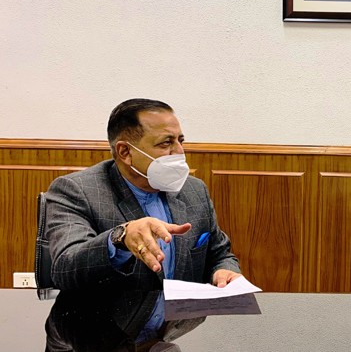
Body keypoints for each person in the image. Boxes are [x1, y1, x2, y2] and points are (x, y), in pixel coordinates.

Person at [45, 99, 241, 338]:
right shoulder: (76, 190)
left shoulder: (194, 190)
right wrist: (120, 237)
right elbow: (65, 268)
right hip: (99, 338)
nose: (180, 153)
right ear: (125, 152)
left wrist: (223, 271)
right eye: (166, 143)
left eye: (180, 141)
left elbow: (219, 253)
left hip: (171, 335)